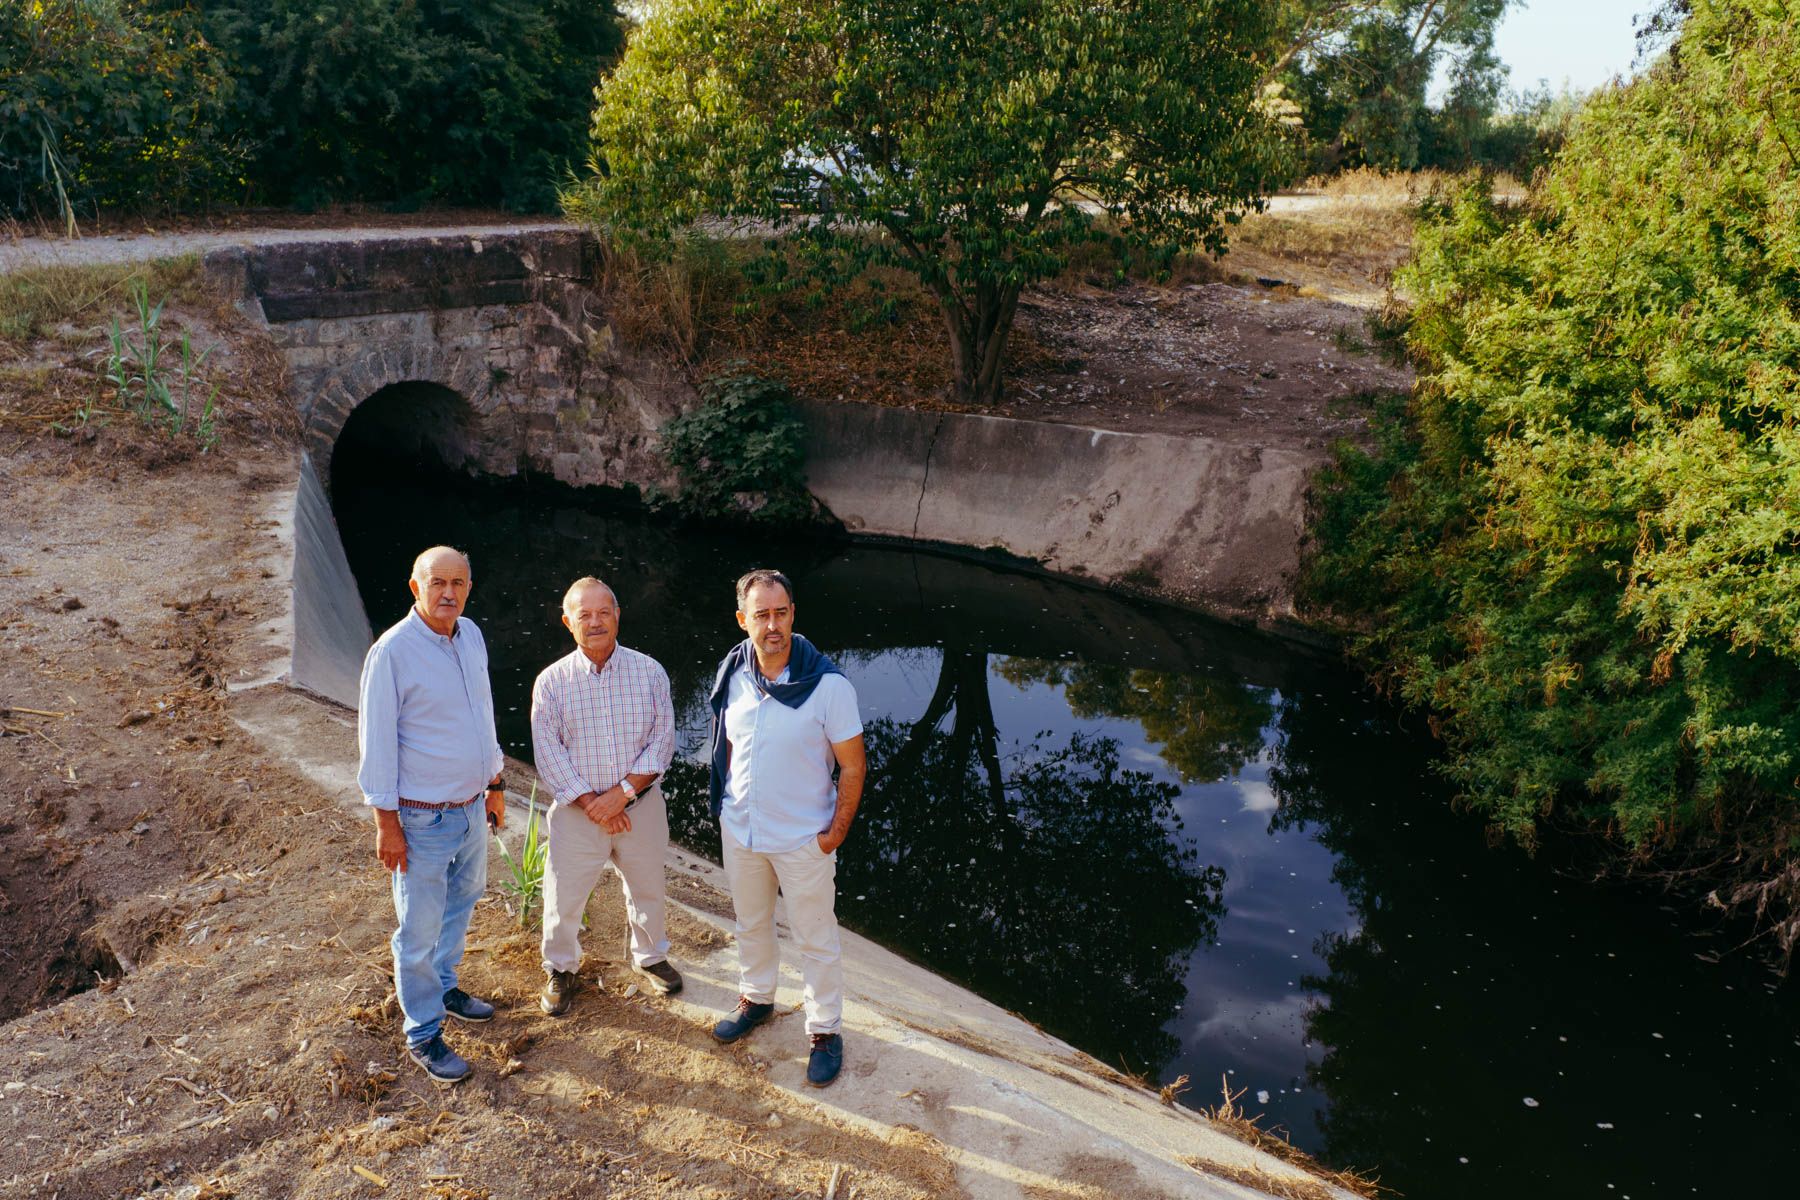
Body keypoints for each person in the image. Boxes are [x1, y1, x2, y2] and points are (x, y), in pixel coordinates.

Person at [706, 568, 866, 1087]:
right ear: (742, 620)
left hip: (803, 839)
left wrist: (834, 833)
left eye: (781, 613)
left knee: (815, 938)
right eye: (761, 615)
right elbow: (726, 744)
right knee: (751, 923)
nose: (772, 625)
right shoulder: (734, 672)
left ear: (793, 614)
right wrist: (728, 804)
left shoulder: (828, 686)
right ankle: (757, 998)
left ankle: (824, 1030)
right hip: (743, 831)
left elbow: (854, 766)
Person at [358, 545, 506, 1086]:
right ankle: (423, 1031)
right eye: (438, 582)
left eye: (459, 583)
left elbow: (482, 711)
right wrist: (386, 825)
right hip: (421, 819)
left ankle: (444, 985)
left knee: (462, 902)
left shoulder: (470, 636)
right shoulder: (392, 652)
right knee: (416, 929)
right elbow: (376, 746)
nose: (449, 593)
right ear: (414, 586)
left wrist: (494, 782)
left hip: (469, 809)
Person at [530, 576, 679, 1016]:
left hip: (641, 807)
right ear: (568, 623)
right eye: (584, 615)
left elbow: (663, 741)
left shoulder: (649, 672)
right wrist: (595, 804)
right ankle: (560, 968)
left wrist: (624, 793)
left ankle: (650, 957)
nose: (595, 622)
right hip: (579, 814)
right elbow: (548, 752)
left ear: (618, 616)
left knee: (648, 887)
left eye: (603, 613)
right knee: (564, 895)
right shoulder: (552, 682)